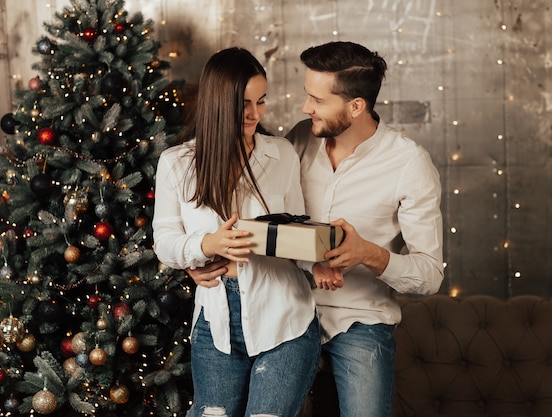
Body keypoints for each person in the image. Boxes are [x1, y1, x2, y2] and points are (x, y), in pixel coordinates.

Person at [187, 41, 444, 417]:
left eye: (317, 100)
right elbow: (244, 218)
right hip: (280, 308)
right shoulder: (297, 140)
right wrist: (201, 257)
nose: (306, 108)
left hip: (358, 320)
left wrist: (367, 254)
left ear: (355, 106)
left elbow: (430, 275)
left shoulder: (409, 164)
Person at [152, 47, 320, 417]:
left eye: (261, 101)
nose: (255, 114)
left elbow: (297, 232)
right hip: (216, 323)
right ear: (217, 102)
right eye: (244, 103)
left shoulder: (282, 155)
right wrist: (207, 244)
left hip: (285, 318)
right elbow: (164, 242)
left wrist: (317, 264)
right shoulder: (177, 164)